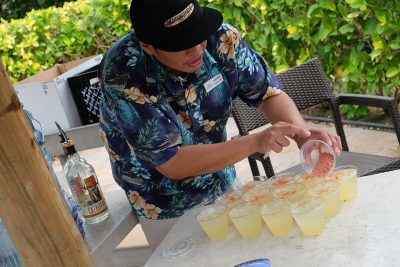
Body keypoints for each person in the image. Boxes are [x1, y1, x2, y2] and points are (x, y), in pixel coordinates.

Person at [98, 0, 342, 250]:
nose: (196, 50)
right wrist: (256, 141)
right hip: (161, 198)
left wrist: (302, 134)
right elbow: (171, 162)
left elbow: (267, 93)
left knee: (240, 251)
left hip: (219, 175)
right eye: (181, 45)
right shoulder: (123, 72)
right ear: (148, 47)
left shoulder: (220, 38)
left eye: (198, 36)